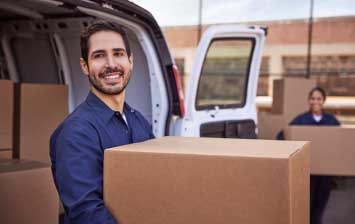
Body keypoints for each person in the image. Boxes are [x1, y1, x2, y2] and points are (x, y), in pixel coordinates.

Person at [50, 21, 155, 224]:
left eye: (118, 53)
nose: (111, 64)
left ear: (130, 60)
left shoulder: (139, 121)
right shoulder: (76, 132)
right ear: (85, 66)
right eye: (99, 56)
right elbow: (86, 212)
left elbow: (155, 180)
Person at [277, 86, 340, 224]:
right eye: (312, 98)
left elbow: (340, 143)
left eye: (318, 99)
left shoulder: (331, 121)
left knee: (320, 204)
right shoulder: (301, 120)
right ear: (308, 100)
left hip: (325, 173)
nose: (315, 101)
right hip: (306, 171)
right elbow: (282, 136)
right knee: (306, 204)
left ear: (323, 101)